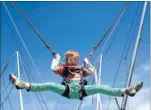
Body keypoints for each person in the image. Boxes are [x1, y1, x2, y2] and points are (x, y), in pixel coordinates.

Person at [9, 50, 143, 100]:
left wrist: (87, 62)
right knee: (50, 85)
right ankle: (24, 85)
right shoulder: (64, 68)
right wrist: (57, 58)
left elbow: (91, 72)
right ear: (67, 59)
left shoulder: (80, 68)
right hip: (67, 90)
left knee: (101, 88)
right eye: (71, 59)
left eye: (75, 59)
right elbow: (52, 68)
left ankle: (127, 91)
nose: (74, 61)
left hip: (81, 90)